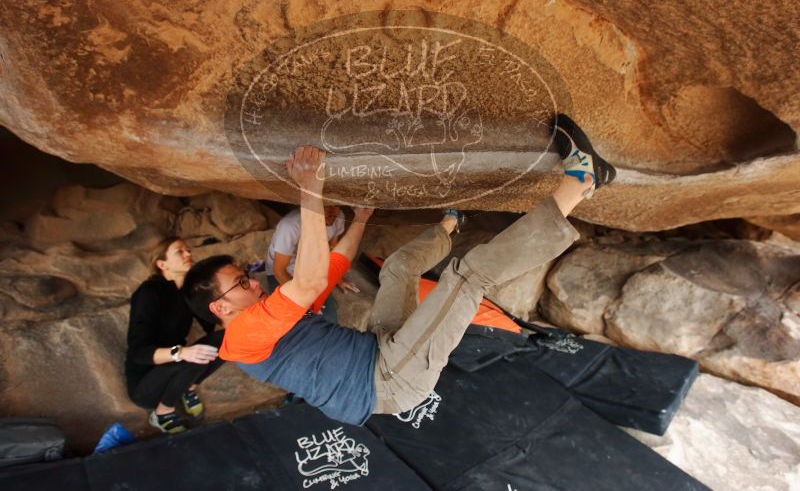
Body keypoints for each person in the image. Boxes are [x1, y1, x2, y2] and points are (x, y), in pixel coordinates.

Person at [183, 114, 616, 425]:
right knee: (467, 276)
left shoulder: (274, 317)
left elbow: (333, 265)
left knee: (399, 267)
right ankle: (581, 179)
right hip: (389, 378)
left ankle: (451, 222)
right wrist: (310, 187)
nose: (251, 282)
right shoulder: (239, 339)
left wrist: (362, 219)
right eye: (239, 283)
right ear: (219, 308)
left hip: (380, 348)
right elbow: (310, 278)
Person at [125, 237, 225, 434]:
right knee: (192, 356)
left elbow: (211, 325)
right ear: (162, 264)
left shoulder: (189, 292)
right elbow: (139, 352)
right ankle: (162, 413)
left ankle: (188, 387)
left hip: (181, 365)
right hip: (146, 384)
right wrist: (181, 353)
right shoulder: (149, 292)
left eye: (188, 250)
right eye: (180, 251)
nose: (188, 254)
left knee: (228, 337)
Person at [265, 204, 359, 324]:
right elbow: (279, 270)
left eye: (337, 206)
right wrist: (303, 298)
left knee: (329, 318)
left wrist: (337, 277)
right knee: (296, 319)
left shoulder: (338, 217)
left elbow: (334, 248)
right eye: (326, 206)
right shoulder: (291, 226)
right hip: (284, 272)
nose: (333, 212)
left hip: (310, 269)